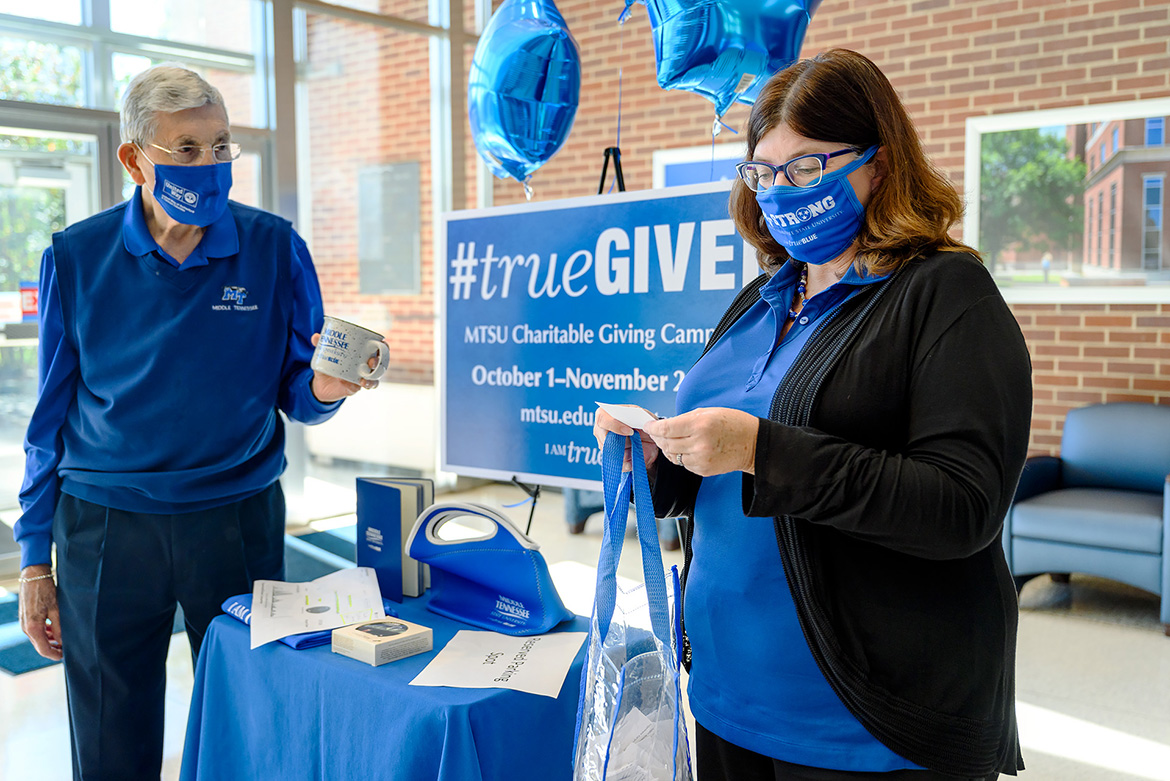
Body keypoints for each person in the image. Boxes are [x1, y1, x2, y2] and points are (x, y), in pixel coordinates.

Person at [594, 49, 1031, 781]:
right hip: (728, 699)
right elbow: (719, 482)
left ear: (879, 164)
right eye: (764, 173)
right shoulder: (763, 296)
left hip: (862, 723)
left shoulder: (946, 294)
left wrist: (765, 449)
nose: (781, 191)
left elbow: (964, 506)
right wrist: (660, 462)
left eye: (806, 167)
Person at [13, 64, 375, 781]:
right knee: (110, 737)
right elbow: (48, 417)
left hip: (234, 521)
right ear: (134, 159)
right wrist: (32, 560)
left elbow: (297, 394)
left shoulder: (274, 247)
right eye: (186, 148)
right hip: (105, 527)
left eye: (220, 146)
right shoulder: (76, 257)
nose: (208, 165)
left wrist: (328, 388)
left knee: (250, 729)